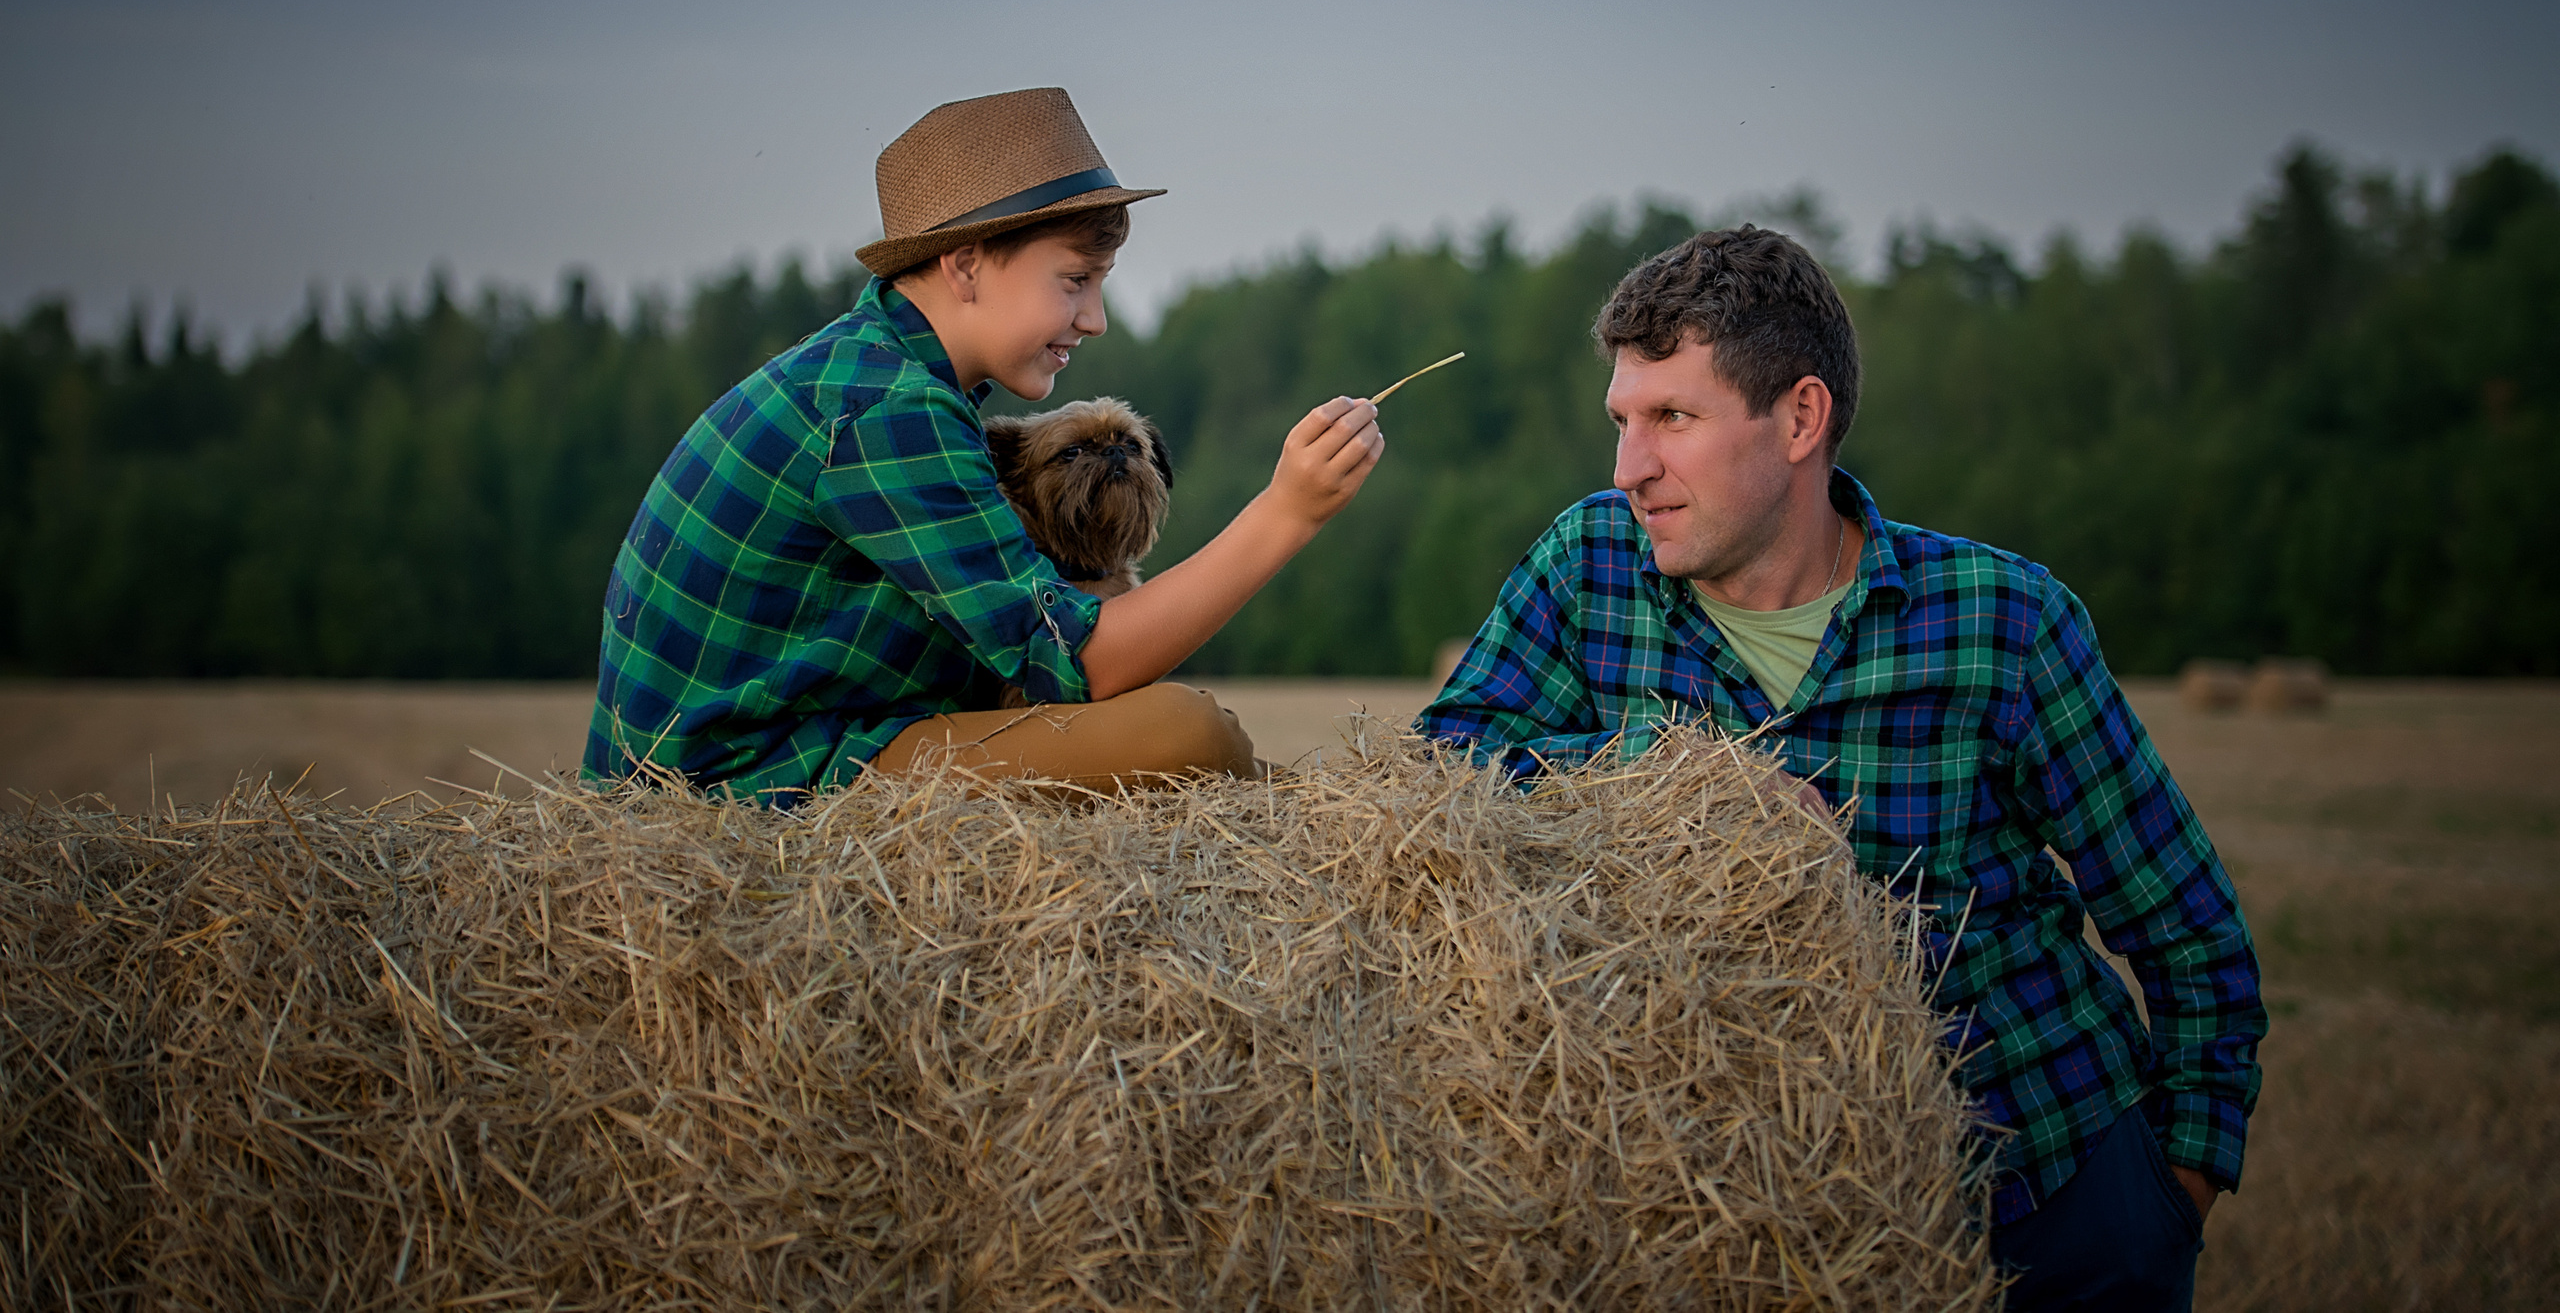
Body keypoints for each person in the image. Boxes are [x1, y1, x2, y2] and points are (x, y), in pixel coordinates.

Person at [1417, 225, 2264, 1312]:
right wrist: (1673, 777)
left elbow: (2187, 926)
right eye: (1623, 422)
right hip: (1741, 1221)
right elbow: (1448, 761)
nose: (1630, 467)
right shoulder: (1588, 566)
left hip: (2042, 1199)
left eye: (1673, 418)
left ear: (1800, 418)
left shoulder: (2002, 623)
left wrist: (2169, 1193)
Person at [586, 87, 1384, 799]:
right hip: (744, 782)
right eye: (1075, 281)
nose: (1095, 318)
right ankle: (1307, 814)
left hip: (793, 742)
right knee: (1187, 734)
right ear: (965, 264)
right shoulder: (886, 407)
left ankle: (1304, 812)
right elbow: (1081, 665)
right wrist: (1288, 511)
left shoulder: (887, 376)